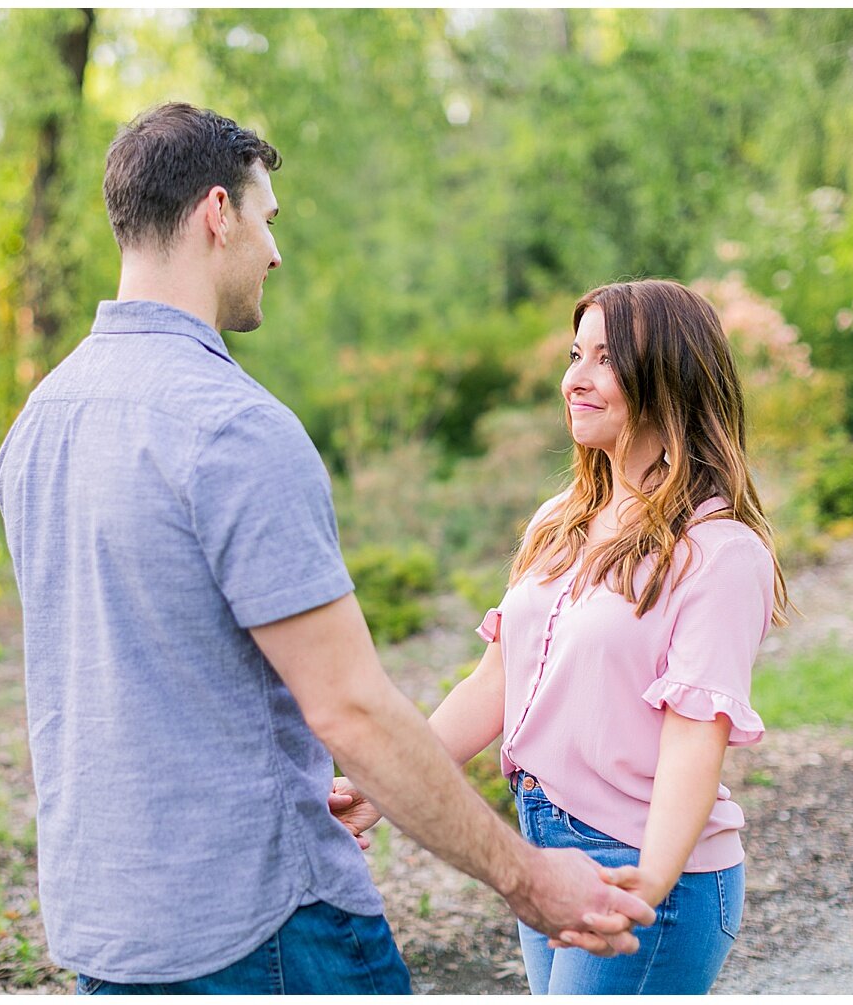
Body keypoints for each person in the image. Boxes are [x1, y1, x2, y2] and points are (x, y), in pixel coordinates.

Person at [0, 102, 654, 995]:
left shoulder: (39, 424)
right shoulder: (232, 428)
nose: (274, 252)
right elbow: (349, 708)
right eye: (267, 221)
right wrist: (529, 878)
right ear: (216, 214)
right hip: (266, 932)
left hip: (110, 931)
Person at [333, 278, 791, 994]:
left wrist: (645, 886)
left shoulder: (720, 552)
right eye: (575, 355)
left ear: (668, 373)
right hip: (548, 855)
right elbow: (494, 682)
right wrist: (382, 786)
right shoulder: (560, 521)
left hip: (646, 870)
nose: (573, 379)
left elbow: (694, 741)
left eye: (605, 359)